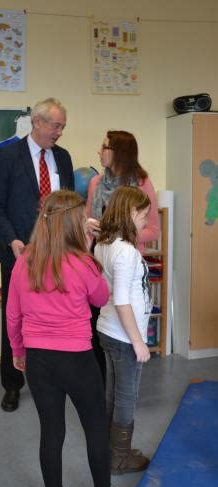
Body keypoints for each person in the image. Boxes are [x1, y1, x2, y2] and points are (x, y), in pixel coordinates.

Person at [6, 190, 127, 487]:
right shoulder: (82, 262)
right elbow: (102, 297)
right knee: (93, 428)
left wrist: (18, 350)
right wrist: (89, 253)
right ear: (76, 224)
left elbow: (13, 314)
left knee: (51, 431)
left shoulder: (24, 260)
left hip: (39, 360)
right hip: (77, 358)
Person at [0, 98, 74, 412]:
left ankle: (51, 378)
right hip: (18, 254)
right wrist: (11, 240)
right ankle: (12, 385)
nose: (59, 132)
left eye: (62, 126)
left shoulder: (62, 158)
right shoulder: (8, 156)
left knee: (53, 317)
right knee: (16, 319)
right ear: (37, 122)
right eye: (55, 125)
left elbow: (69, 205)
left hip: (56, 254)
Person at [86, 130, 159, 385]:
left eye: (104, 146)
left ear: (118, 152)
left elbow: (153, 229)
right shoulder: (95, 183)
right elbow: (87, 220)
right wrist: (90, 227)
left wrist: (121, 235)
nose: (99, 151)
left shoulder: (141, 183)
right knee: (100, 324)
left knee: (123, 319)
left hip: (125, 262)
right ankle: (102, 384)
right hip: (99, 262)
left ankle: (122, 387)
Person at [94, 186, 152, 474]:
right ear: (130, 213)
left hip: (109, 330)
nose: (146, 222)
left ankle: (111, 450)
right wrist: (138, 342)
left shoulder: (104, 244)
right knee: (126, 396)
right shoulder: (126, 251)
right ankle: (119, 458)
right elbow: (122, 300)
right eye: (144, 215)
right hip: (123, 335)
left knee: (113, 392)